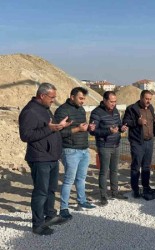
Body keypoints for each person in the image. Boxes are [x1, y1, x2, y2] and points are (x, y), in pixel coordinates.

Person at [19, 82, 72, 235]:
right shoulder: (30, 111)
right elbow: (26, 136)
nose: (53, 100)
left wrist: (59, 127)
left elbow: (50, 129)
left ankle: (50, 216)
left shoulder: (45, 109)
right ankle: (38, 224)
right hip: (40, 157)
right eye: (51, 97)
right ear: (42, 95)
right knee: (41, 192)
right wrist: (49, 128)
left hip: (51, 157)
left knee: (50, 190)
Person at [54, 87, 96, 220]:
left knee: (81, 178)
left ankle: (82, 201)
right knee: (68, 180)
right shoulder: (62, 111)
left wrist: (88, 128)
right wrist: (78, 129)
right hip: (70, 150)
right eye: (81, 98)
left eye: (84, 98)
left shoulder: (81, 109)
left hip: (84, 148)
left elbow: (81, 128)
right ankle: (64, 208)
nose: (83, 101)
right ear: (72, 97)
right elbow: (59, 132)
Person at [89, 91, 128, 206]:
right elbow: (93, 131)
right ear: (105, 100)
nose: (113, 104)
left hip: (116, 144)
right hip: (104, 146)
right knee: (104, 172)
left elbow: (119, 124)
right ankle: (103, 196)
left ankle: (115, 193)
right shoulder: (96, 113)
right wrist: (108, 131)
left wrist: (122, 128)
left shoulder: (115, 111)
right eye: (111, 101)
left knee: (114, 170)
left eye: (115, 101)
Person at [123, 90, 155, 200]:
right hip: (137, 142)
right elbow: (125, 121)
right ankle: (135, 189)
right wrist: (137, 122)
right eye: (146, 99)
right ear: (141, 98)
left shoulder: (151, 108)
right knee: (136, 166)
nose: (148, 101)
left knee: (146, 166)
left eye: (150, 99)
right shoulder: (132, 108)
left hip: (149, 141)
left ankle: (146, 186)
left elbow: (151, 121)